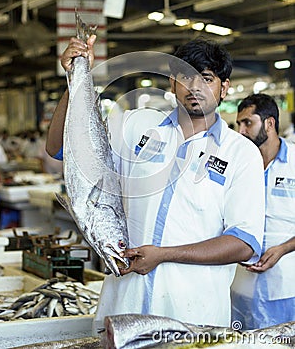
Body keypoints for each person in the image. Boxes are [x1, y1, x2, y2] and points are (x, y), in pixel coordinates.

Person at [46, 36, 265, 327]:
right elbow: (61, 148)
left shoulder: (241, 154)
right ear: (172, 83)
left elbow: (244, 243)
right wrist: (75, 79)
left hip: (192, 317)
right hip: (123, 305)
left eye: (207, 78)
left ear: (223, 87)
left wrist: (163, 255)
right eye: (185, 76)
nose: (195, 87)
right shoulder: (137, 125)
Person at [231, 93, 295, 329]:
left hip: (286, 289)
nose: (241, 131)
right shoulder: (238, 165)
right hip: (240, 287)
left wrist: (283, 249)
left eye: (248, 122)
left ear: (270, 123)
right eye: (239, 123)